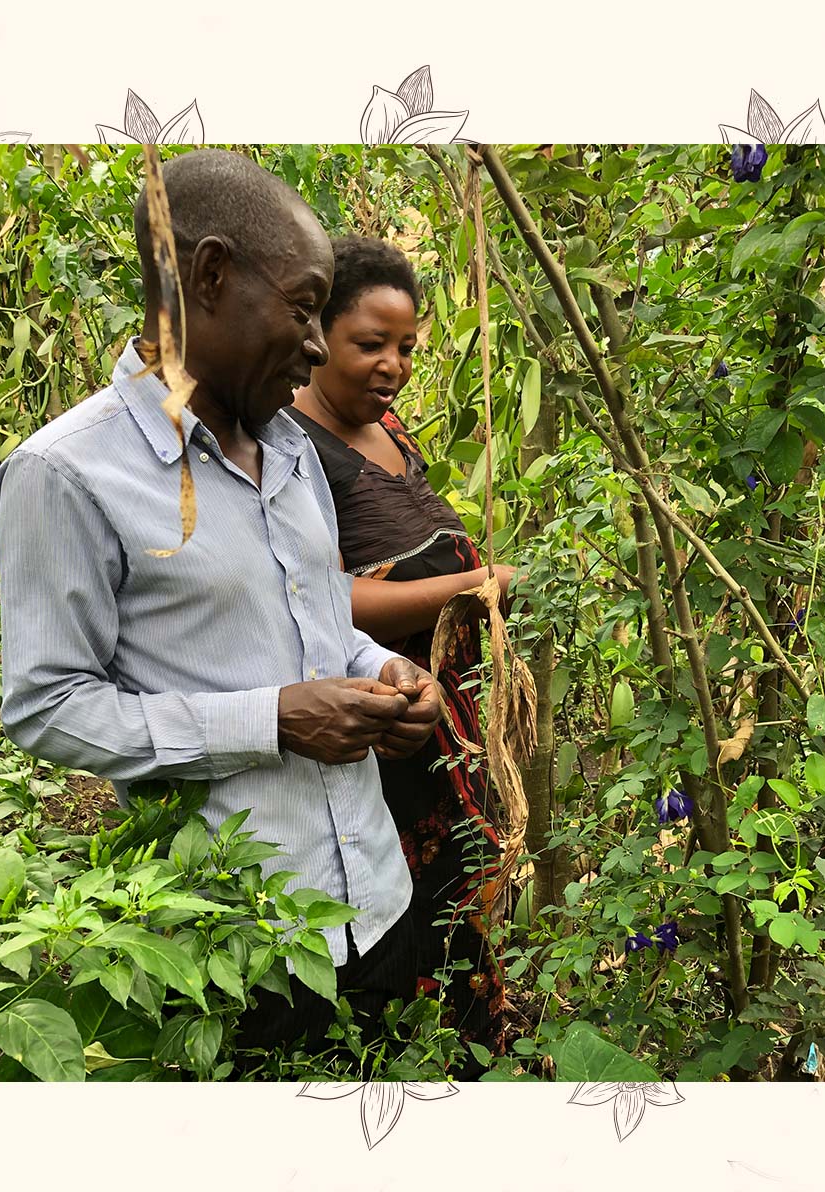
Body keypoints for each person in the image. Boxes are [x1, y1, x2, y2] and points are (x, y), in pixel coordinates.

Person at [0, 150, 442, 1063]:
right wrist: (269, 721)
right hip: (245, 949)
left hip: (380, 902)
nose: (318, 345)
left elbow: (316, 619)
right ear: (210, 274)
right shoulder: (66, 474)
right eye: (306, 307)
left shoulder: (293, 448)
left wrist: (381, 670)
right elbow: (47, 707)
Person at [289, 235, 513, 1064]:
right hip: (389, 722)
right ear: (316, 337)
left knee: (463, 880)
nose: (393, 365)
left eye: (407, 347)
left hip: (446, 711)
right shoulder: (294, 450)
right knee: (410, 895)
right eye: (370, 345)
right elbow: (321, 600)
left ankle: (472, 1038)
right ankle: (416, 1058)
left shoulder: (388, 426)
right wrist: (471, 586)